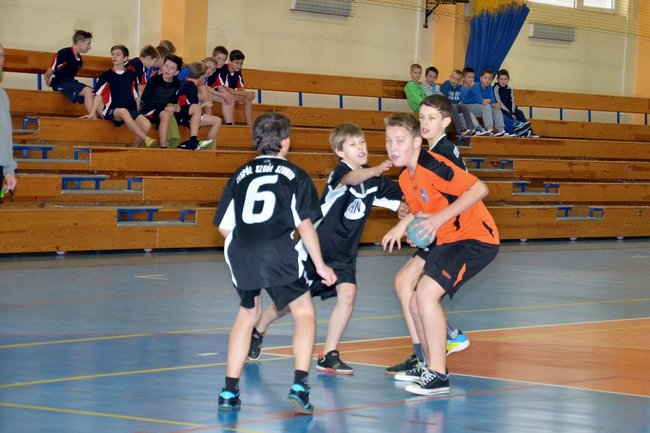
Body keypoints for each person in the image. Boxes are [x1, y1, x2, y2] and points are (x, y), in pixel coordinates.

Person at [247, 123, 405, 374]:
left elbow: (402, 199)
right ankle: (258, 329)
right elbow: (352, 178)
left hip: (343, 255)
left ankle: (329, 354)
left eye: (362, 142)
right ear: (339, 152)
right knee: (287, 303)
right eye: (353, 144)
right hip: (314, 251)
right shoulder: (340, 173)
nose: (360, 147)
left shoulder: (376, 182)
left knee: (348, 294)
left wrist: (406, 211)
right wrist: (375, 170)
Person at [213, 112, 337, 414]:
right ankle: (300, 386)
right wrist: (321, 266)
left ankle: (229, 391)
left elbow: (223, 226)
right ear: (286, 142)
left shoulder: (240, 174)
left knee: (247, 313)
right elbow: (305, 225)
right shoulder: (296, 175)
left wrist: (246, 246)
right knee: (304, 311)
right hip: (277, 250)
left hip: (241, 250)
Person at [382, 112, 499, 395]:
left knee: (425, 294)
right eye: (388, 141)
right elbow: (423, 213)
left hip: (476, 238)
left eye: (400, 140)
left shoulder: (434, 165)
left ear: (417, 142)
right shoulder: (405, 178)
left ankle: (438, 374)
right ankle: (428, 365)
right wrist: (411, 228)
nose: (393, 147)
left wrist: (436, 221)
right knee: (415, 302)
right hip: (449, 240)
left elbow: (479, 189)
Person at [385, 95, 471, 377]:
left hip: (449, 229)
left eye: (431, 118)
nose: (424, 123)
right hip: (438, 226)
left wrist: (410, 219)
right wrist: (409, 210)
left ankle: (430, 352)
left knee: (410, 286)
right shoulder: (432, 151)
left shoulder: (440, 154)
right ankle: (430, 348)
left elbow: (450, 197)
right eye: (421, 117)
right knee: (404, 282)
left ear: (445, 122)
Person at [83, 45, 156, 147]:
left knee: (146, 125)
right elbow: (99, 95)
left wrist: (137, 111)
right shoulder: (107, 75)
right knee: (123, 111)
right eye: (113, 54)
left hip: (130, 108)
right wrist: (92, 112)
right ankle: (147, 139)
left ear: (125, 58)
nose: (114, 56)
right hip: (114, 110)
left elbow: (136, 94)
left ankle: (134, 149)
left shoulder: (131, 74)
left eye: (118, 54)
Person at [44, 30, 95, 115]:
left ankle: (103, 118)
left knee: (95, 93)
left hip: (70, 82)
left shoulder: (79, 59)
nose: (90, 47)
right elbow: (49, 71)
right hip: (60, 83)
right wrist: (48, 81)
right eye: (88, 43)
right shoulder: (64, 53)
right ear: (80, 43)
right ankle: (93, 118)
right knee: (88, 91)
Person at [175, 62, 222, 150]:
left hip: (183, 114)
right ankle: (210, 149)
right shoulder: (191, 87)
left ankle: (210, 148)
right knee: (217, 120)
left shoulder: (184, 82)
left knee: (216, 120)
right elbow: (193, 106)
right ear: (201, 76)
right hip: (185, 117)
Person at [140, 54, 183, 148]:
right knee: (166, 114)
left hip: (164, 110)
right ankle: (163, 147)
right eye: (166, 66)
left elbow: (174, 100)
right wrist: (165, 108)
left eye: (172, 68)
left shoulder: (178, 83)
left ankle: (176, 143)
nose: (168, 69)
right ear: (162, 67)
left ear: (176, 72)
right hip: (149, 109)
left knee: (173, 114)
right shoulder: (154, 81)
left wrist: (176, 106)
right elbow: (145, 100)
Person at [440, 70, 488, 136]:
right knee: (454, 106)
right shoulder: (446, 86)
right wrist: (448, 85)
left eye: (457, 79)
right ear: (450, 77)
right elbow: (443, 93)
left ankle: (473, 128)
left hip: (457, 107)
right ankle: (460, 131)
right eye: (453, 78)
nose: (454, 80)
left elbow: (462, 100)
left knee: (465, 108)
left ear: (460, 81)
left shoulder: (459, 89)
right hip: (448, 107)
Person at [461, 68, 507, 137]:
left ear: (492, 80)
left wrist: (492, 102)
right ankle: (489, 129)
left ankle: (501, 130)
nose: (487, 80)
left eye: (489, 79)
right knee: (487, 106)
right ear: (481, 78)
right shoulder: (476, 86)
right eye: (485, 78)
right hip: (468, 107)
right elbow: (481, 101)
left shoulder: (490, 88)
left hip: (479, 108)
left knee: (496, 108)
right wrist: (490, 102)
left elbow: (492, 100)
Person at [493, 69, 539, 138]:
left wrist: (513, 112)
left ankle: (529, 131)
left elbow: (512, 102)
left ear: (508, 80)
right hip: (501, 109)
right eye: (501, 79)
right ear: (497, 79)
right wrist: (510, 114)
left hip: (509, 109)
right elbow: (499, 102)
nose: (503, 81)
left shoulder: (509, 89)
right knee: (507, 115)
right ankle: (517, 131)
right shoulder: (496, 88)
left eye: (505, 79)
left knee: (519, 112)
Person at [214, 49, 255, 126]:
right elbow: (225, 88)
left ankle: (250, 126)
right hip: (220, 93)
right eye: (236, 63)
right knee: (231, 97)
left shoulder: (238, 71)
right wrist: (245, 93)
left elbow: (240, 88)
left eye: (241, 63)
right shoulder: (223, 69)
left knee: (248, 98)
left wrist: (248, 94)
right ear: (230, 61)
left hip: (230, 93)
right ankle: (232, 125)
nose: (239, 66)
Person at [0, 44, 17, 196]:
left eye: (2, 55)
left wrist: (8, 170)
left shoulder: (3, 96)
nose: (0, 60)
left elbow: (6, 136)